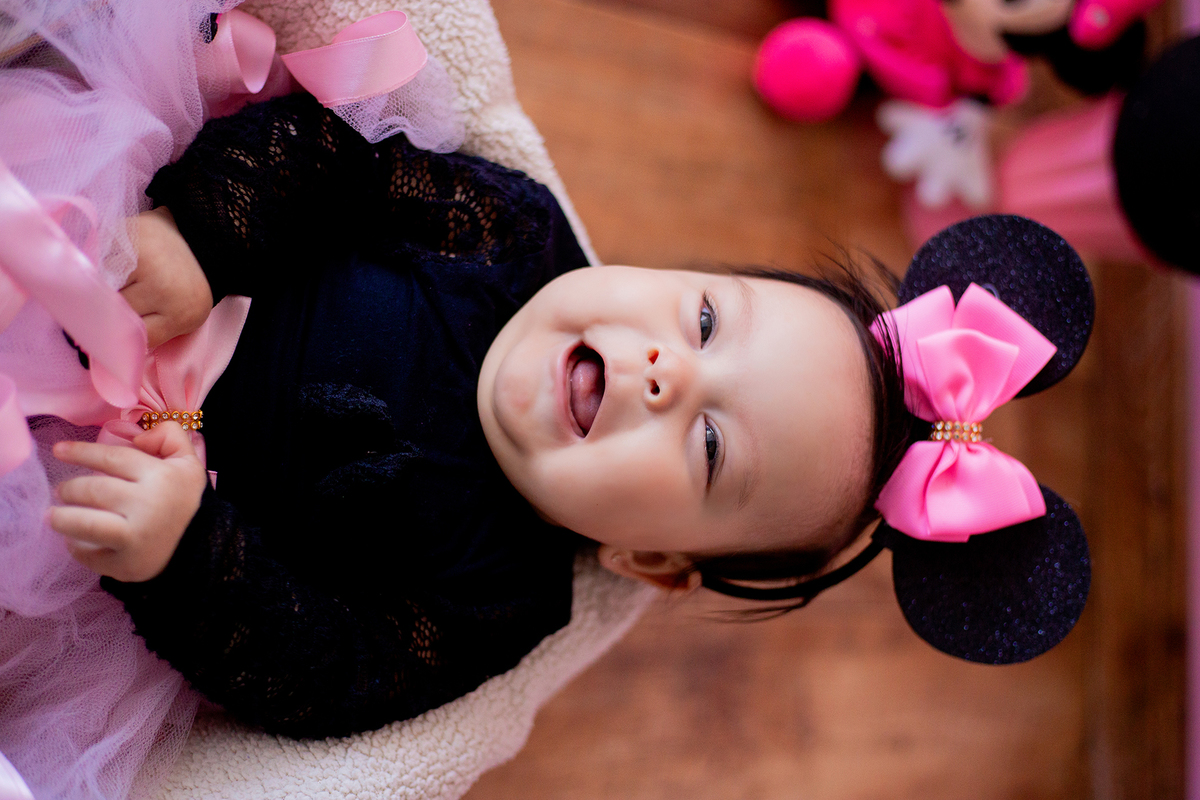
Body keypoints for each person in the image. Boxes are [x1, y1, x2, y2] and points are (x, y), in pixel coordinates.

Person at [46, 90, 913, 739]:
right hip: (113, 268)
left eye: (714, 445)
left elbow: (329, 675)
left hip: (79, 504)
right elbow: (331, 159)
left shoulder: (500, 602)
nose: (668, 374)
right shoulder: (503, 234)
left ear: (648, 558)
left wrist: (185, 555)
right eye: (707, 322)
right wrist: (203, 234)